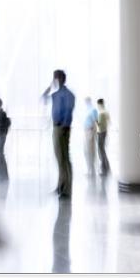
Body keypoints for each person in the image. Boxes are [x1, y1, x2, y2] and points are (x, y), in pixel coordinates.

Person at [42, 69, 75, 199]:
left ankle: (67, 189)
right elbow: (43, 98)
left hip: (62, 128)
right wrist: (50, 86)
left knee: (64, 159)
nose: (55, 80)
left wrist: (64, 127)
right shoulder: (56, 94)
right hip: (56, 128)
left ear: (61, 79)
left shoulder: (68, 95)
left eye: (56, 78)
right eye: (54, 78)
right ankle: (60, 186)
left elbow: (68, 111)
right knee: (59, 159)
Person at [83, 97, 98, 176]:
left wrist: (93, 132)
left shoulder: (93, 110)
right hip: (86, 131)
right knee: (86, 150)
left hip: (90, 131)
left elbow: (96, 121)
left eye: (86, 101)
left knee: (90, 150)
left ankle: (91, 169)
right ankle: (89, 168)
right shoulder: (87, 110)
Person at [96, 98, 111, 176]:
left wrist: (95, 121)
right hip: (105, 132)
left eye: (98, 104)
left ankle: (104, 168)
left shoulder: (101, 113)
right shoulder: (106, 111)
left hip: (101, 132)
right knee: (102, 150)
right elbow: (109, 122)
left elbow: (99, 125)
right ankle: (107, 167)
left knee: (101, 150)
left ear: (99, 104)